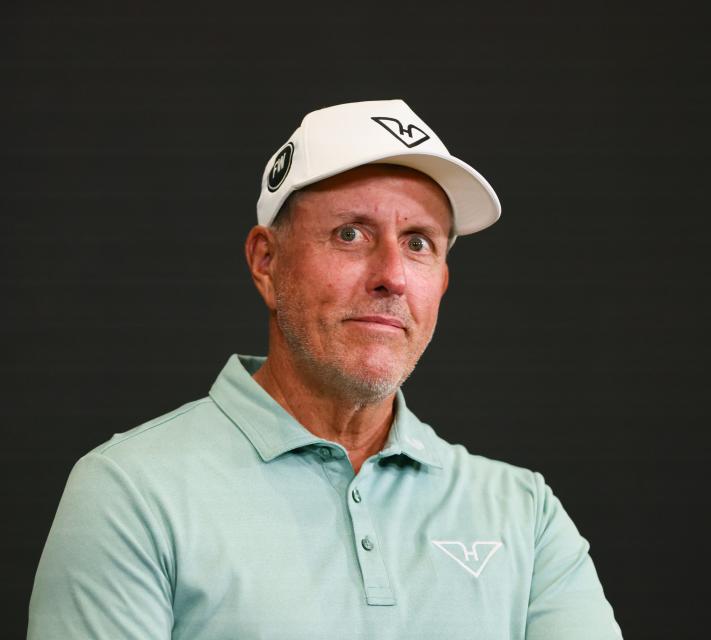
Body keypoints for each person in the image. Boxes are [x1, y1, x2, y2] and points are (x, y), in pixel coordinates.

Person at [27, 99, 623, 639]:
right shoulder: (130, 493)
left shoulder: (523, 511)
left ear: (441, 280)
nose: (392, 274)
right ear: (267, 262)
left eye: (419, 242)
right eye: (350, 233)